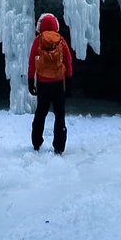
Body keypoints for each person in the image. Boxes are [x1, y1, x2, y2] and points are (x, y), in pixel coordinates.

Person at [28, 12, 73, 154]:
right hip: (58, 83)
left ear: (40, 26)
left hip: (43, 83)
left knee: (41, 113)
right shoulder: (61, 40)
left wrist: (31, 80)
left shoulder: (38, 41)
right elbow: (68, 60)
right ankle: (59, 146)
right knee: (59, 114)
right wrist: (69, 77)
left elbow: (32, 61)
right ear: (55, 26)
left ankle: (36, 141)